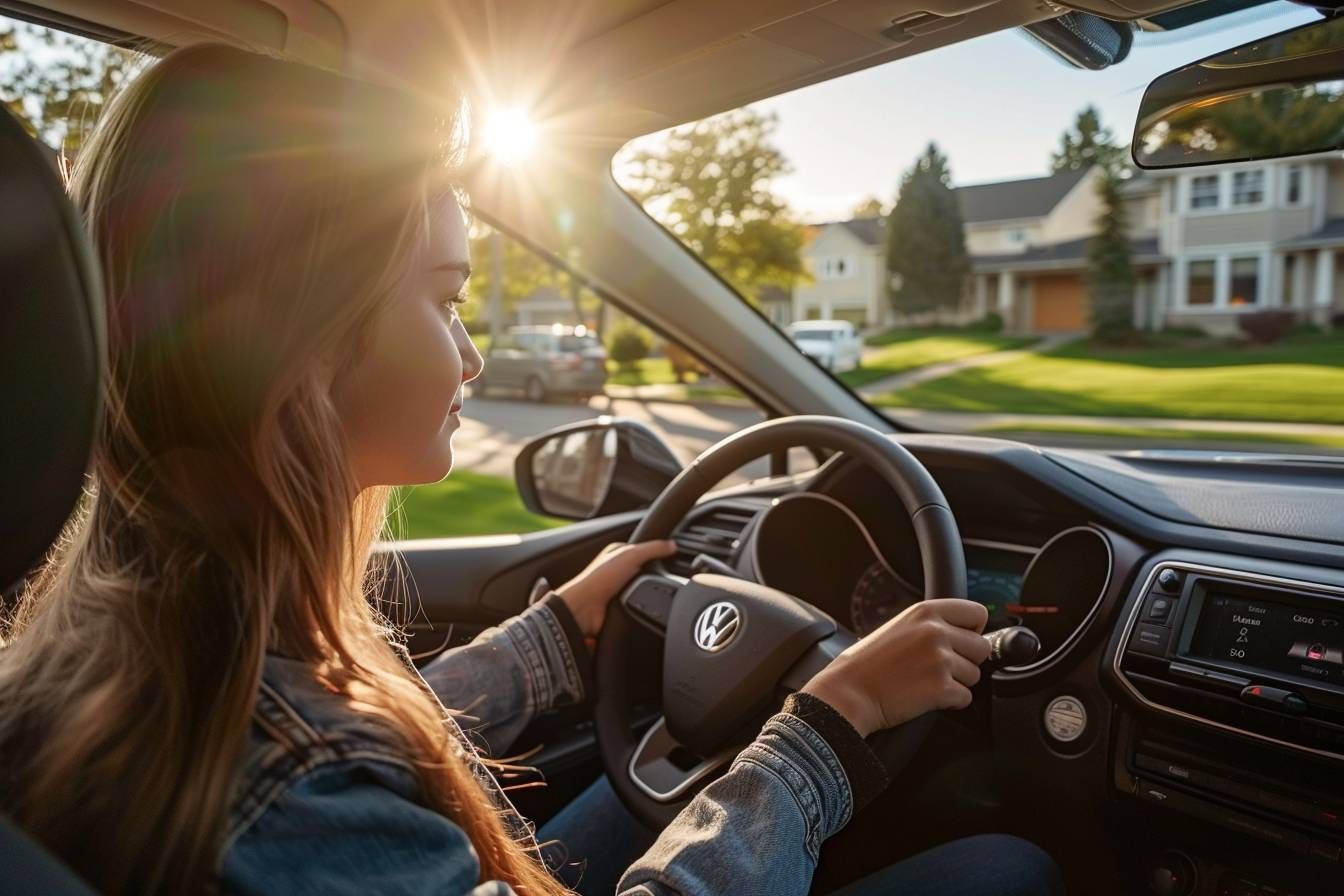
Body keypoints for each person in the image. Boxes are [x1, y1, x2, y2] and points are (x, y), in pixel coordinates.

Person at [0, 44, 1062, 896]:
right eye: (447, 295)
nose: (469, 353)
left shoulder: (126, 633)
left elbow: (337, 718)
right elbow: (329, 754)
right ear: (302, 339)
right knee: (1007, 865)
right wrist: (820, 736)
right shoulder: (308, 798)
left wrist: (551, 641)